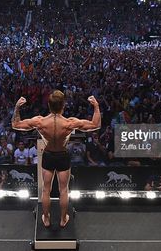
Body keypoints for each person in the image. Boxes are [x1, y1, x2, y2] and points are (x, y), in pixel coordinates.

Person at [12, 90, 101, 228]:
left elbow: (16, 124)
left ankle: (46, 219)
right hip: (62, 155)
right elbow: (96, 124)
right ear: (63, 105)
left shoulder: (40, 122)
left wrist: (17, 107)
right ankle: (62, 219)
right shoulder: (69, 123)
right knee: (64, 190)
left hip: (48, 155)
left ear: (48, 105)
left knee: (46, 190)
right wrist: (96, 106)